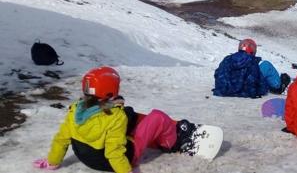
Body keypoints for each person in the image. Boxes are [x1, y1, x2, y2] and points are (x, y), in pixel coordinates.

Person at [34, 66, 202, 173]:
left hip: (87, 157)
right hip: (112, 162)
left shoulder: (74, 110)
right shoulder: (116, 117)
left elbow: (61, 140)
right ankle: (174, 141)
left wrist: (52, 162)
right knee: (157, 116)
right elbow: (113, 152)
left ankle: (151, 133)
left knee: (130, 113)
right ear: (110, 89)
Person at [213, 38, 291, 98]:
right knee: (266, 65)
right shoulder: (253, 62)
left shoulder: (227, 59)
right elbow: (259, 86)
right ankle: (278, 86)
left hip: (224, 90)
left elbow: (217, 74)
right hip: (244, 90)